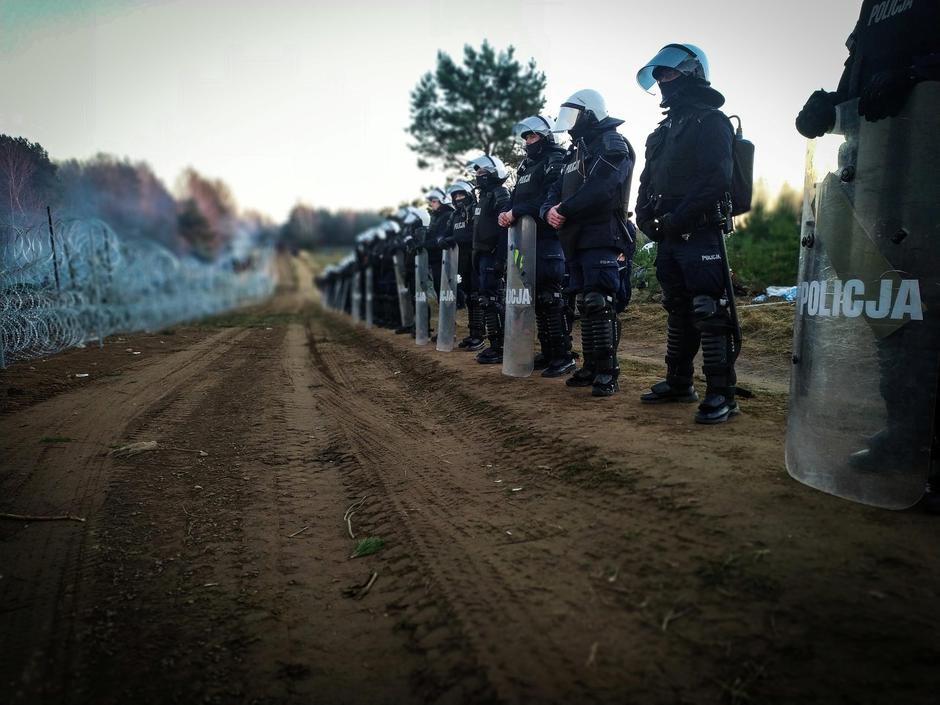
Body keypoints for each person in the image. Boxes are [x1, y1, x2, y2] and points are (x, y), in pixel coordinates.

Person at [793, 0, 940, 512]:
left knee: (931, 301)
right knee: (893, 309)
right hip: (875, 163)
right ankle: (904, 436)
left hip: (930, 158)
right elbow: (866, 80)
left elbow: (909, 69)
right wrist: (832, 105)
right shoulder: (873, 5)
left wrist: (920, 72)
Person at [634, 44, 739, 424]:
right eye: (658, 75)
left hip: (700, 231)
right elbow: (646, 181)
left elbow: (717, 178)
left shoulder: (712, 120)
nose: (662, 81)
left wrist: (679, 218)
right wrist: (644, 217)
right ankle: (679, 382)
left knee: (708, 309)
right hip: (667, 235)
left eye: (669, 73)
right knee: (676, 307)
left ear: (692, 73)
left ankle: (722, 393)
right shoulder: (662, 130)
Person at [541, 89, 635, 397]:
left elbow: (602, 189)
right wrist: (547, 211)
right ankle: (592, 366)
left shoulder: (612, 143)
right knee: (584, 303)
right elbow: (555, 189)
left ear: (591, 113)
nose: (569, 125)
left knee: (599, 302)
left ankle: (608, 372)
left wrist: (563, 210)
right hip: (576, 238)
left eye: (574, 116)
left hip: (602, 234)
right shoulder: (576, 150)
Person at [499, 114, 572, 377]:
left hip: (549, 241)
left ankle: (563, 355)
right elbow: (516, 198)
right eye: (526, 137)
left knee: (550, 298)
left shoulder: (556, 159)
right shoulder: (526, 168)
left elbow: (548, 198)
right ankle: (549, 352)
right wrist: (507, 211)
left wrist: (516, 211)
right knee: (537, 301)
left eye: (533, 136)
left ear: (546, 136)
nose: (529, 141)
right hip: (524, 244)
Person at [467, 155, 511, 364]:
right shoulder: (482, 197)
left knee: (493, 299)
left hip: (493, 254)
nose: (479, 177)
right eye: (477, 173)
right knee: (485, 299)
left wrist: (501, 258)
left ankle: (501, 347)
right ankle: (494, 345)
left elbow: (505, 228)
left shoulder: (500, 193)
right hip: (480, 255)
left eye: (483, 173)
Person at [440, 180, 483, 351]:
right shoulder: (454, 215)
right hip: (460, 259)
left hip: (476, 256)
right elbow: (446, 233)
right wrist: (441, 239)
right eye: (455, 195)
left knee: (477, 296)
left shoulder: (475, 209)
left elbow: (474, 233)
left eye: (461, 194)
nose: (458, 198)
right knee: (468, 296)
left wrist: (453, 239)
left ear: (469, 194)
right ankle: (473, 334)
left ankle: (479, 336)